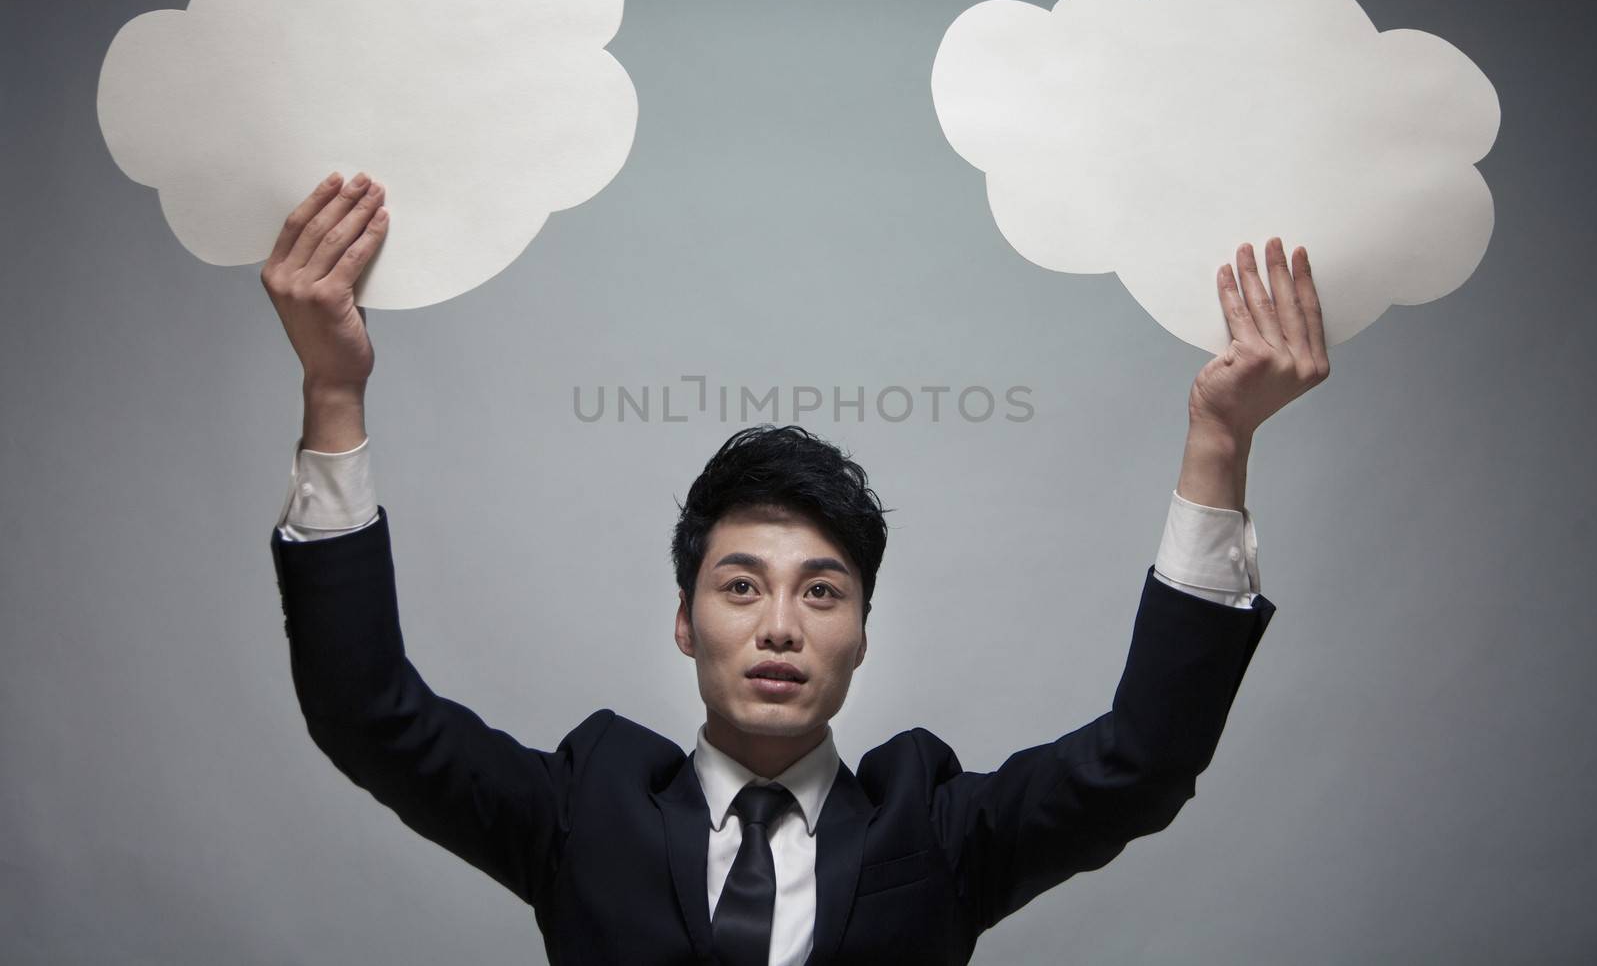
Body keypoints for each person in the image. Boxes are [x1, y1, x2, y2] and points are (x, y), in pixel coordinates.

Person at [263, 170, 1329, 965]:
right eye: (740, 585)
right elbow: (366, 708)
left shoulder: (939, 831)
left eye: (820, 590)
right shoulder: (581, 812)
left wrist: (1219, 441)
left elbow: (1143, 761)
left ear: (863, 629)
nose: (779, 624)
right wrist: (333, 390)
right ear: (684, 620)